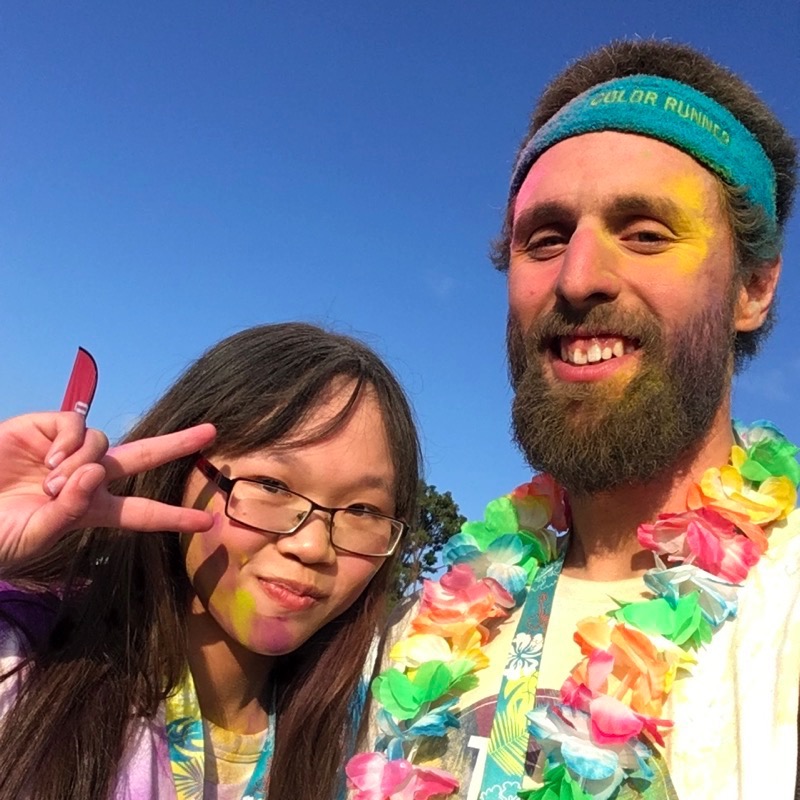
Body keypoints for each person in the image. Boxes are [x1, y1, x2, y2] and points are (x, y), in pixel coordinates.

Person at [347, 39, 800, 800]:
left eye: (646, 233)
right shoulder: (406, 639)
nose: (579, 277)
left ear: (753, 290)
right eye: (545, 239)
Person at [0, 322, 421, 800]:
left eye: (363, 511)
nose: (312, 547)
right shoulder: (25, 663)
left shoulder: (374, 754)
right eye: (272, 486)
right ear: (182, 471)